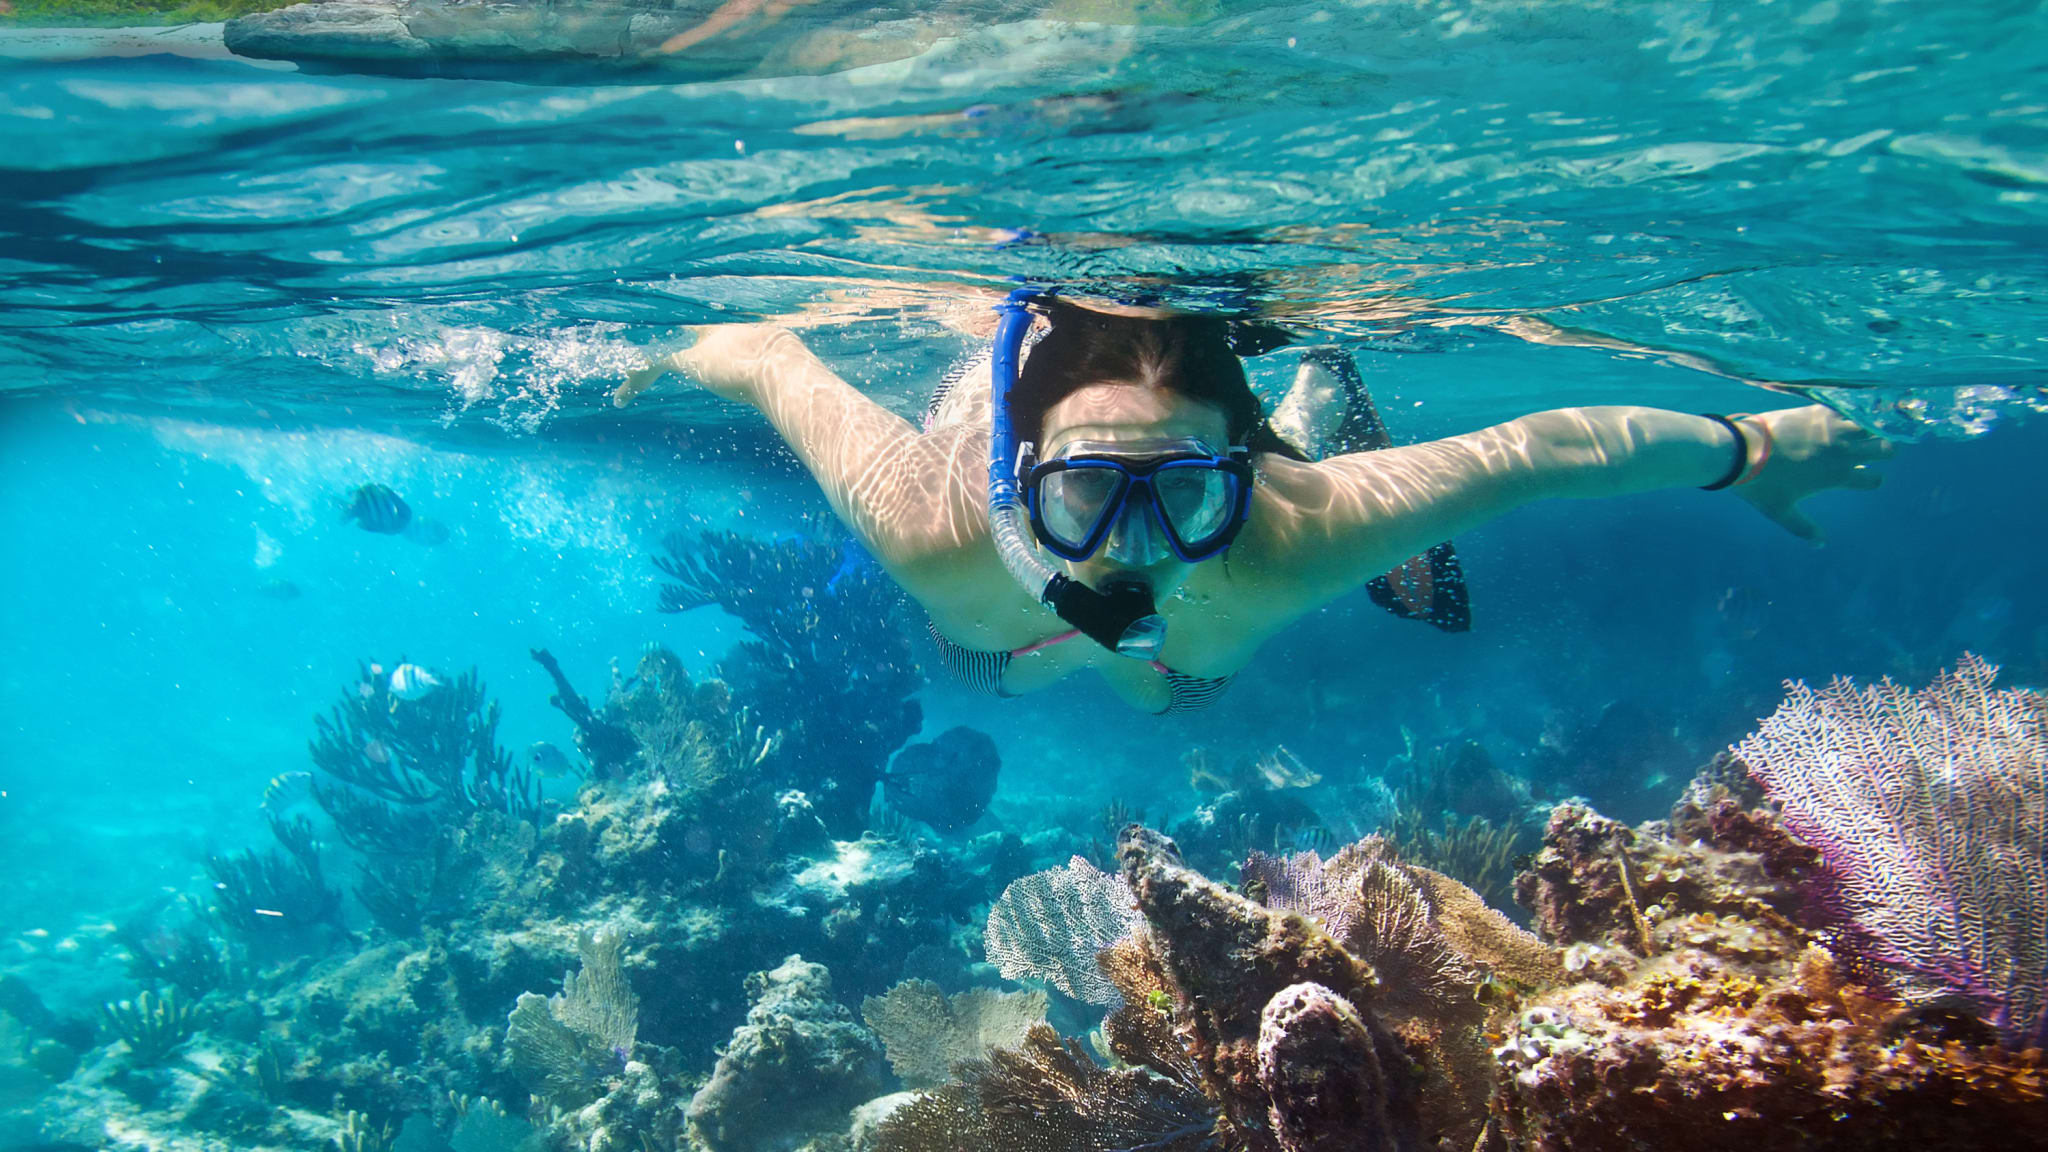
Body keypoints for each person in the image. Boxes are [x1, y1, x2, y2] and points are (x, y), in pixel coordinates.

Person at [624, 295, 1892, 714]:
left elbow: (1540, 448)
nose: (1129, 544)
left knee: (1172, 690)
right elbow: (764, 354)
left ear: (1236, 477)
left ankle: (1307, 403)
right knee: (999, 666)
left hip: (1239, 526)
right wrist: (657, 355)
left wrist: (1751, 444)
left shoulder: (1295, 531)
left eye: (1182, 492)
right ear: (1020, 483)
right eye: (1080, 492)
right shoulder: (932, 526)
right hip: (1001, 629)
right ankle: (1288, 419)